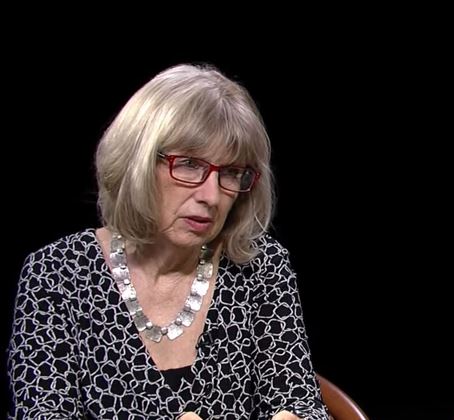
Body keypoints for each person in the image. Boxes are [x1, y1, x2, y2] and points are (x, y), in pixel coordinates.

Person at [7, 64, 328, 419]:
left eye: (231, 173)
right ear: (137, 162)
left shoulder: (261, 266)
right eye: (190, 164)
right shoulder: (56, 274)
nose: (212, 196)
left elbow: (303, 403)